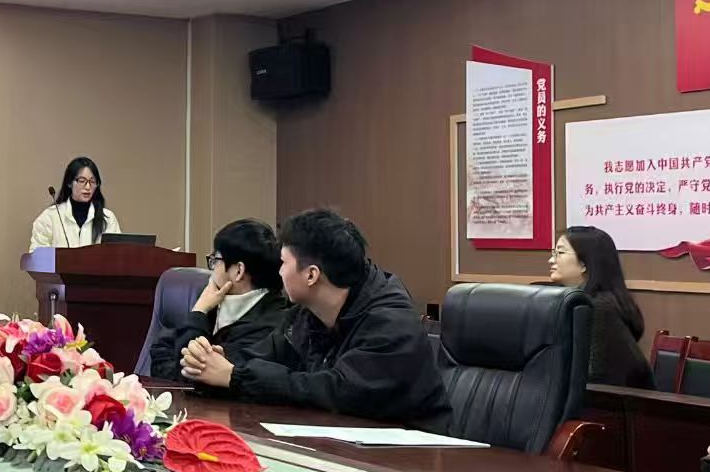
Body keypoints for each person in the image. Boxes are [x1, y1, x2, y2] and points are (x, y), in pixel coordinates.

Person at [180, 208, 450, 429]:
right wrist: (215, 361)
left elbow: (335, 391)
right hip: (341, 446)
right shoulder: (306, 315)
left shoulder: (391, 324)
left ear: (311, 275)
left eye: (284, 263)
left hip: (415, 462)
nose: (278, 272)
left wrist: (235, 376)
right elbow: (262, 356)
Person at [144, 218, 290, 380]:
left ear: (239, 271)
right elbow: (159, 356)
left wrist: (199, 311)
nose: (212, 269)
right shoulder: (213, 302)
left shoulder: (272, 325)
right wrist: (200, 310)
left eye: (215, 260)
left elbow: (193, 374)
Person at [550, 225, 652, 388]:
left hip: (619, 400)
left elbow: (597, 377)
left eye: (560, 253)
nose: (551, 260)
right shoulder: (575, 300)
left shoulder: (599, 308)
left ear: (584, 263)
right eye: (553, 253)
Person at [28, 156, 120, 249]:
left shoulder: (108, 218)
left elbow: (117, 254)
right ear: (69, 183)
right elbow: (37, 254)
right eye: (82, 181)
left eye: (92, 181)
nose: (88, 187)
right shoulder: (50, 217)